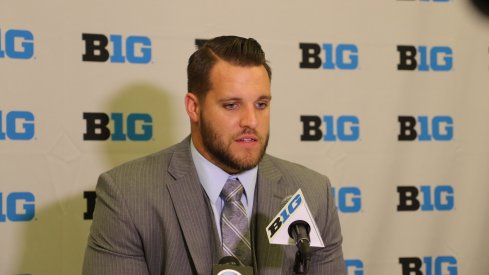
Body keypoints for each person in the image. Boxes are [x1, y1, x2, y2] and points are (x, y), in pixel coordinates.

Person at [82, 35, 345, 275]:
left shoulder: (311, 192)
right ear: (194, 107)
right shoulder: (127, 194)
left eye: (261, 104)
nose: (251, 121)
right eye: (232, 105)